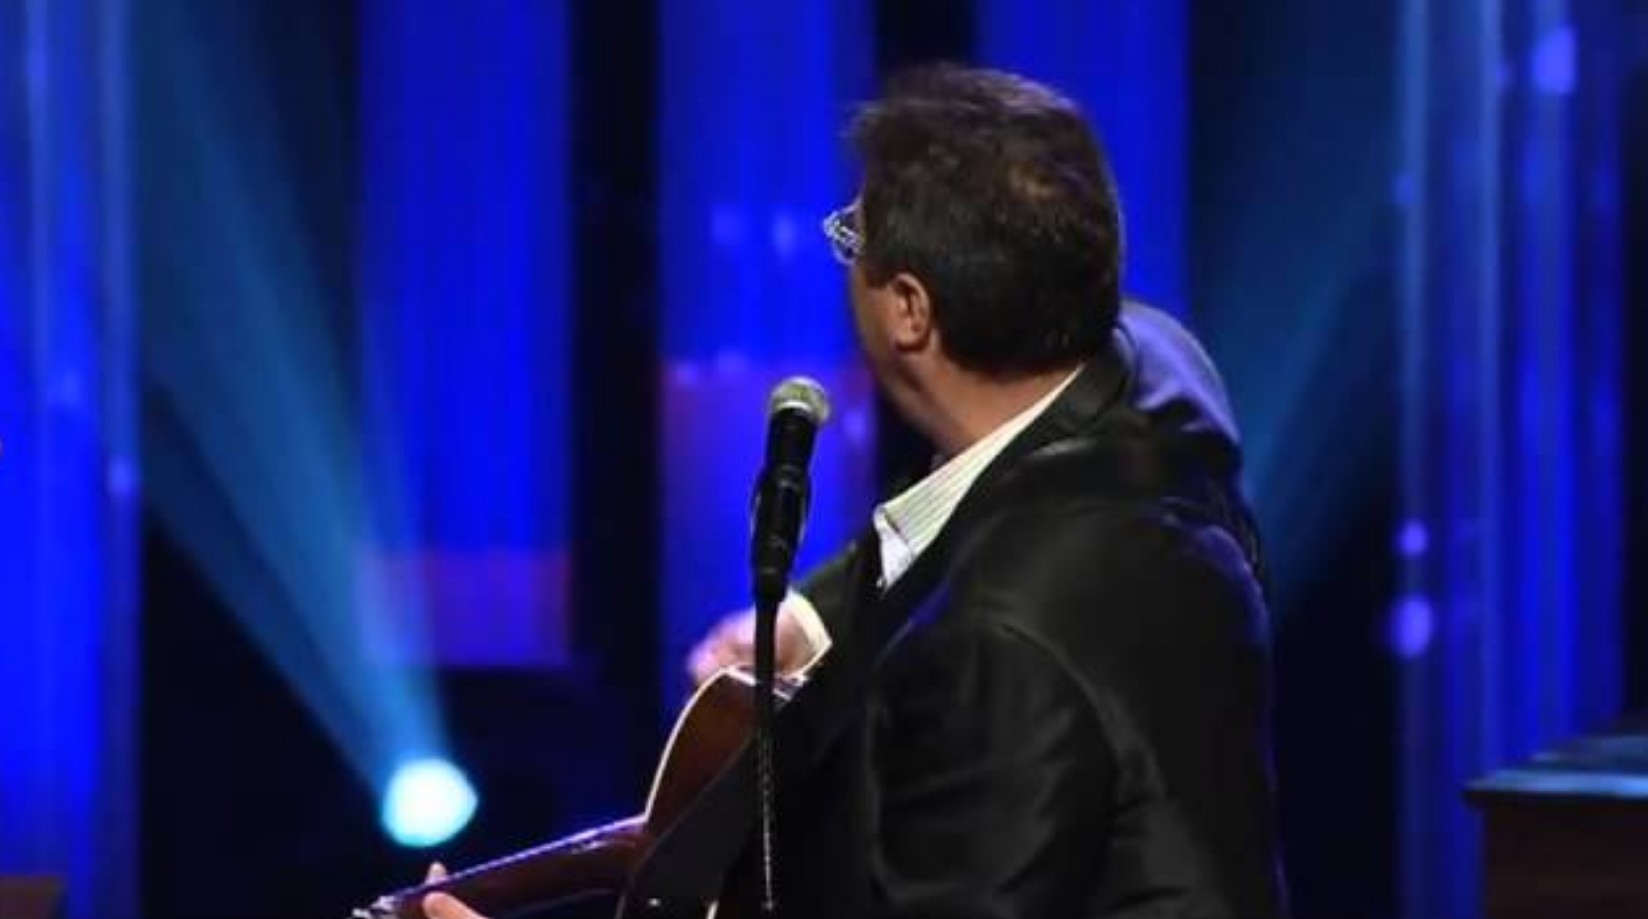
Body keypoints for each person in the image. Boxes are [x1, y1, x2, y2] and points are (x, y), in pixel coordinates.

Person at [427, 64, 1287, 919]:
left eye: (852, 239)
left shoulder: (989, 648)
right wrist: (816, 616)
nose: (846, 261)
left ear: (910, 309)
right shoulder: (1162, 384)